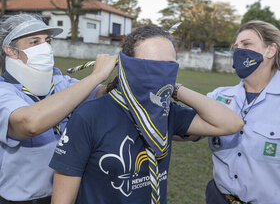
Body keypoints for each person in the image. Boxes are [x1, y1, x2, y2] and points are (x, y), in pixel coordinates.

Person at [49, 25, 243, 204]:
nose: (162, 72)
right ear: (129, 66)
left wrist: (173, 88)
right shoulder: (89, 115)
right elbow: (62, 199)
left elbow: (231, 124)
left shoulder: (166, 111)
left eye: (169, 66)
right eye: (153, 65)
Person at [0, 13, 117, 203]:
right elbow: (29, 123)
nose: (45, 47)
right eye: (34, 41)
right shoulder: (3, 92)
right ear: (11, 51)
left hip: (66, 194)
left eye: (47, 40)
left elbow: (106, 95)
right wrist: (96, 76)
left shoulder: (60, 82)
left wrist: (132, 64)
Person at [205, 20, 280, 204]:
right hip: (219, 197)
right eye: (236, 46)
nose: (238, 51)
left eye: (246, 44)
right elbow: (185, 130)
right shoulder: (219, 96)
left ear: (270, 50)